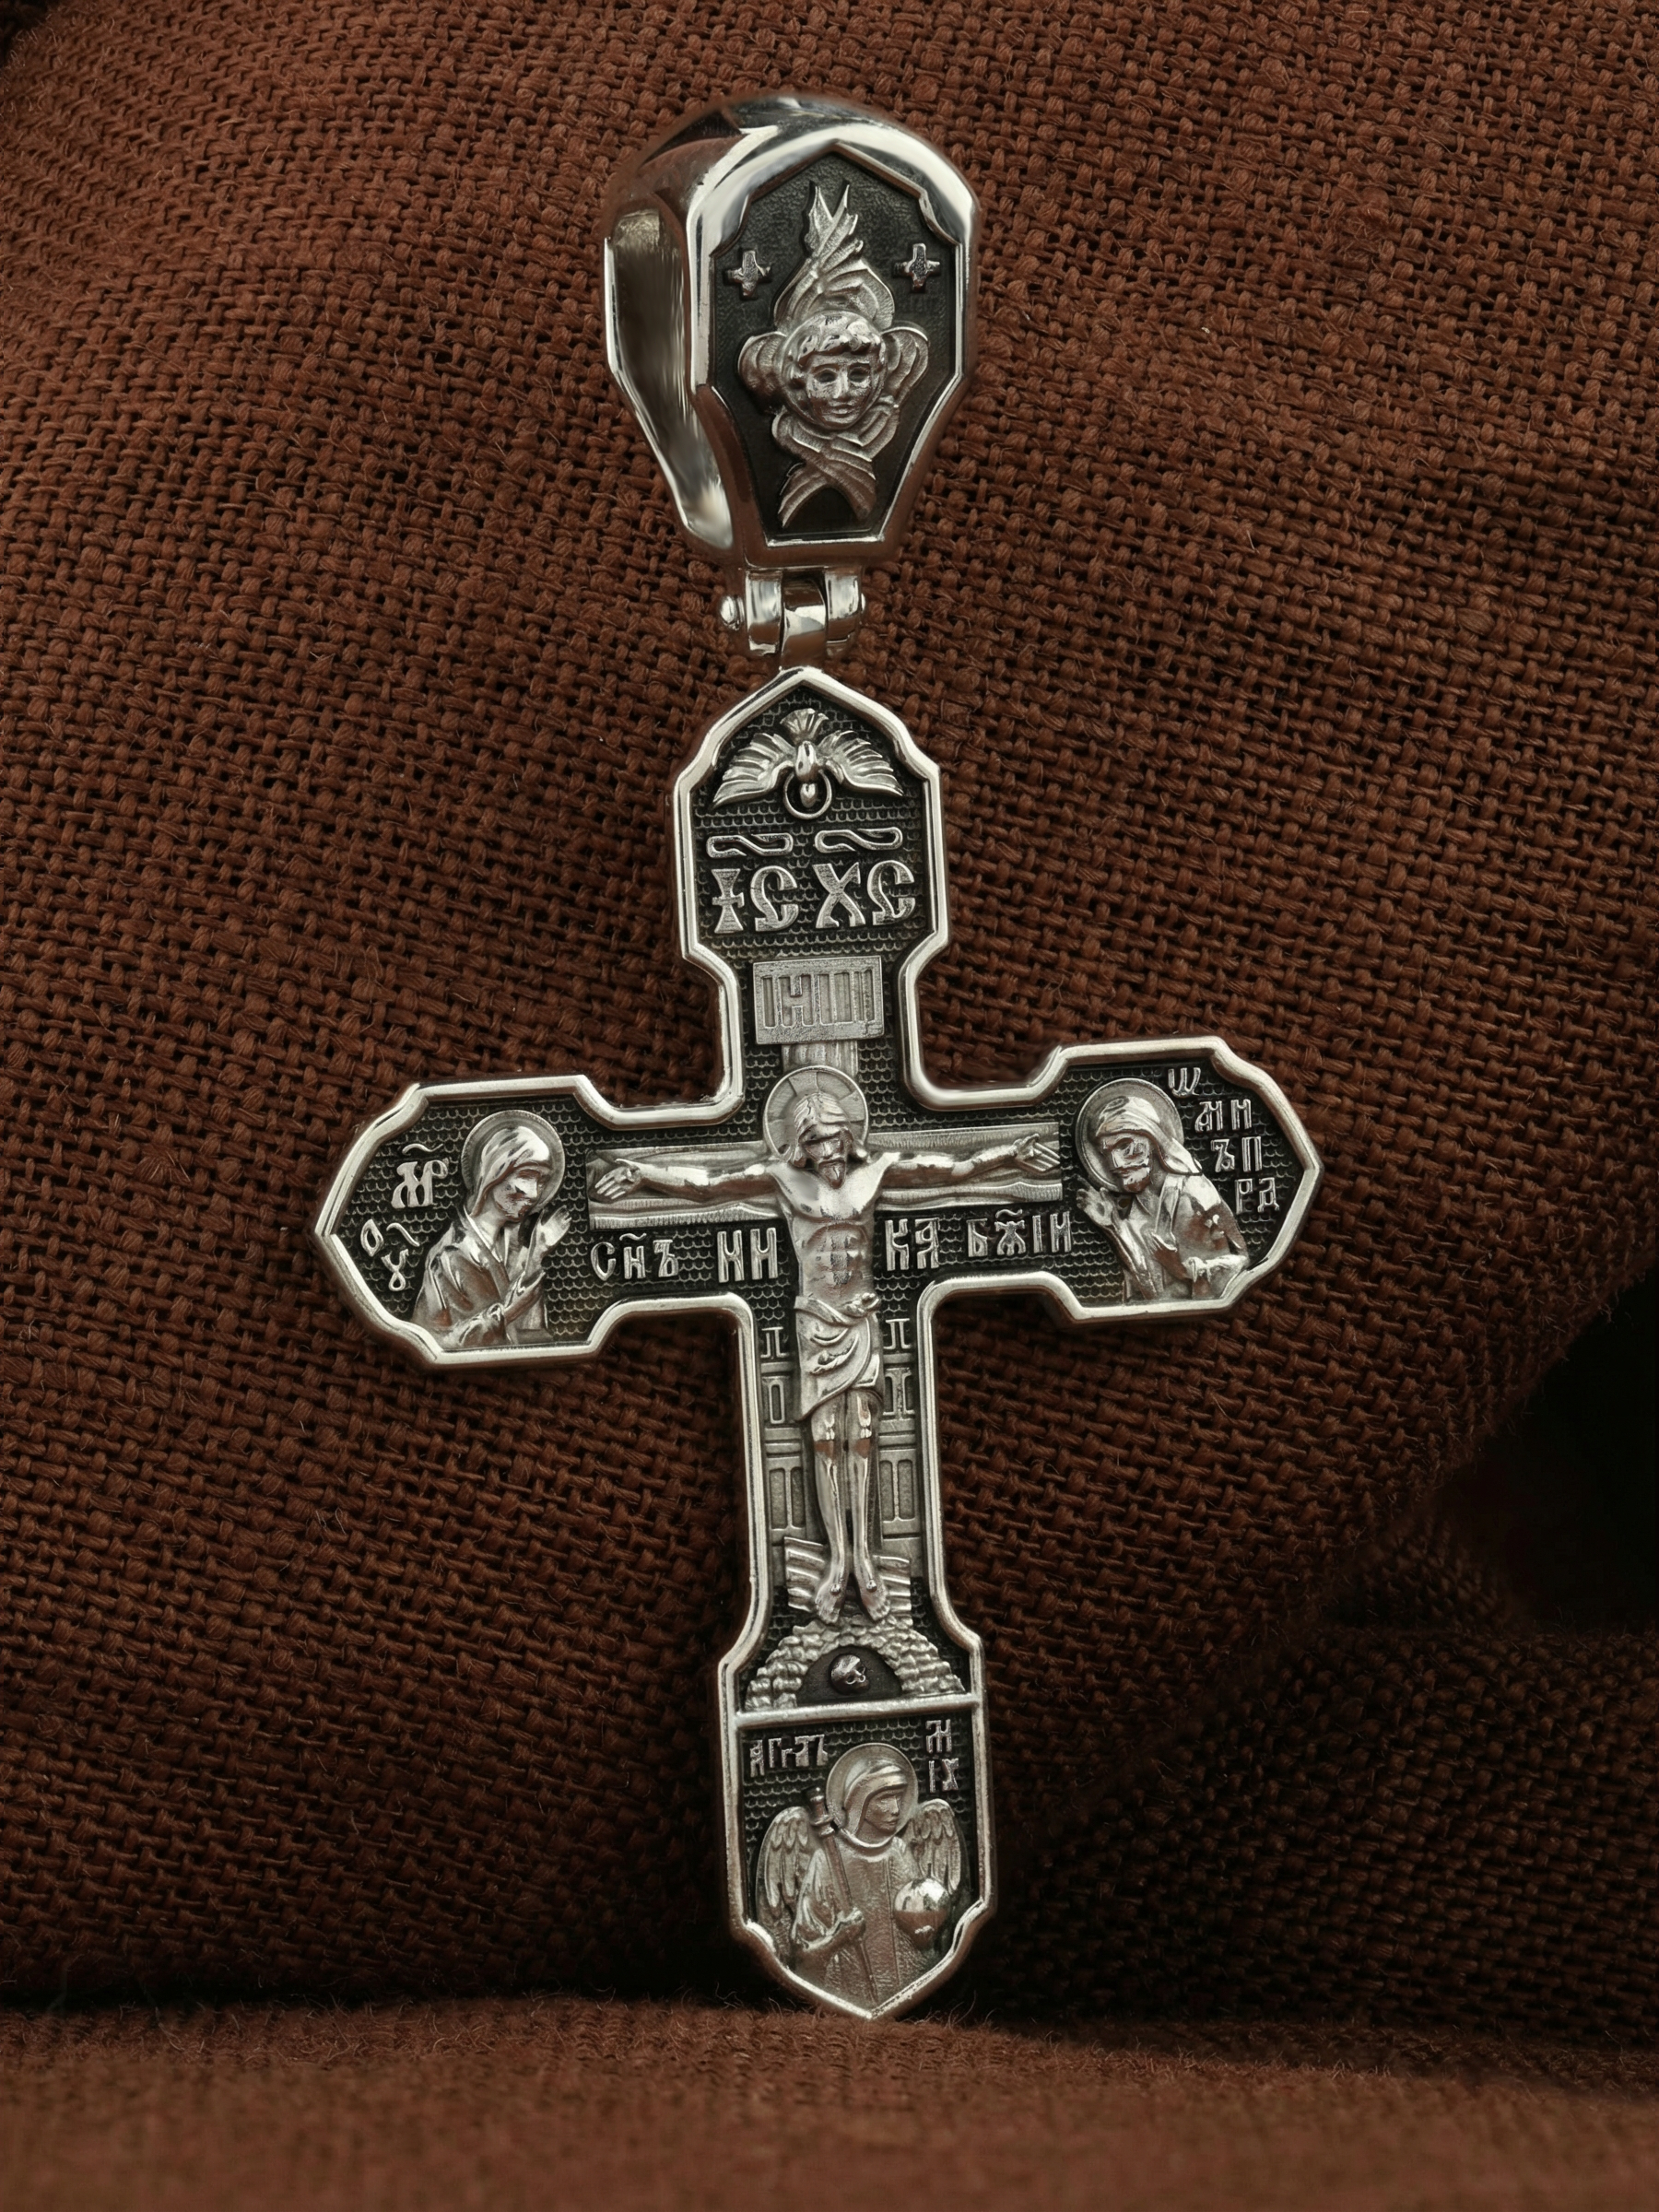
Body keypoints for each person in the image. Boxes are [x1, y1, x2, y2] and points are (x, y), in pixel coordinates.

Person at [594, 1074, 1055, 1623]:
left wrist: (1009, 1153)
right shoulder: (782, 1178)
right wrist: (643, 1173)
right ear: (799, 1144)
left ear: (849, 1134)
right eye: (814, 1140)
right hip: (816, 1324)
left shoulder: (876, 1171)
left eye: (834, 1136)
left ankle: (864, 1558)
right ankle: (838, 1560)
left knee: (863, 1434)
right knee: (825, 1438)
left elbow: (951, 1169)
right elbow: (708, 1185)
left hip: (860, 1321)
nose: (828, 1149)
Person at [759, 1744, 963, 2011]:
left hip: (912, 2001)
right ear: (862, 1803)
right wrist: (838, 1938)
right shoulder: (826, 1860)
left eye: (899, 1798)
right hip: (838, 2000)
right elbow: (802, 1959)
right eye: (884, 1799)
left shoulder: (900, 1852)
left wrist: (924, 1935)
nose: (896, 1809)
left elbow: (919, 1933)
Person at [1076, 1081, 1246, 1303]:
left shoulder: (1194, 1195)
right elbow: (1147, 1287)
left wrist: (1183, 1270)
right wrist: (1113, 1225)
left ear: (1154, 1141)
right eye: (1105, 1153)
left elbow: (1240, 1264)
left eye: (1125, 1146)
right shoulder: (1136, 1205)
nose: (1114, 1163)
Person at [413, 1114, 570, 1351]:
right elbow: (432, 1342)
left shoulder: (520, 1253)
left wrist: (536, 1255)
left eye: (541, 1181)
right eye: (526, 1176)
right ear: (495, 1173)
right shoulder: (449, 1256)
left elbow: (535, 1337)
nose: (534, 1193)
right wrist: (505, 1313)